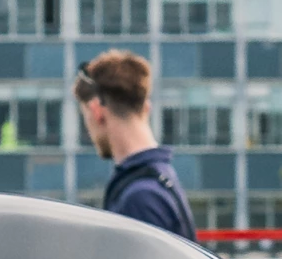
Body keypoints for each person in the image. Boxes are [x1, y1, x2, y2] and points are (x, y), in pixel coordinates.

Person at [74, 50, 195, 240]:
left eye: (86, 119)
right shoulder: (158, 180)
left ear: (97, 111)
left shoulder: (140, 197)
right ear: (146, 108)